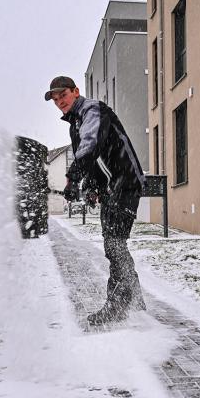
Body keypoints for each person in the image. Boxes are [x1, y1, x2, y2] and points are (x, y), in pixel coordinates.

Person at [45, 75, 146, 326]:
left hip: (126, 183)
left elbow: (90, 147)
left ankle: (117, 307)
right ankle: (135, 304)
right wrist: (91, 187)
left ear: (76, 91)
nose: (59, 101)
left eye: (63, 95)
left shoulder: (92, 110)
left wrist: (71, 179)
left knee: (114, 246)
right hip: (114, 187)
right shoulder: (74, 123)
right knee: (115, 245)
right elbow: (94, 163)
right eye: (55, 99)